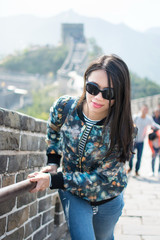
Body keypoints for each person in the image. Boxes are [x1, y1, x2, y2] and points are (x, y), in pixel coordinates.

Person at [28, 54, 136, 240]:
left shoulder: (123, 129)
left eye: (108, 93)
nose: (97, 97)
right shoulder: (64, 107)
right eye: (92, 88)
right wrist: (53, 161)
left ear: (120, 95)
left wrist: (53, 180)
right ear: (85, 82)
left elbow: (101, 177)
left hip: (108, 199)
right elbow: (53, 131)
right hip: (74, 194)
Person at [127, 104, 160, 176]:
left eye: (146, 110)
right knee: (131, 156)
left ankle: (136, 171)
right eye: (144, 109)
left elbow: (154, 125)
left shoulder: (148, 119)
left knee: (139, 157)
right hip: (133, 141)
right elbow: (128, 124)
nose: (145, 111)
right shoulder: (135, 117)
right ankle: (130, 168)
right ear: (141, 109)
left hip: (141, 142)